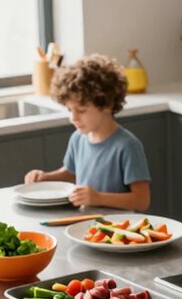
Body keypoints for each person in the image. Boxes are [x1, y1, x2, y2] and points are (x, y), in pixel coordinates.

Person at [24, 54, 152, 211]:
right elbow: (71, 173)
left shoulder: (127, 145)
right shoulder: (78, 138)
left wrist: (99, 198)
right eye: (70, 110)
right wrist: (45, 177)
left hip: (117, 229)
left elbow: (142, 200)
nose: (73, 117)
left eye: (81, 110)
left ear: (107, 104)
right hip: (85, 225)